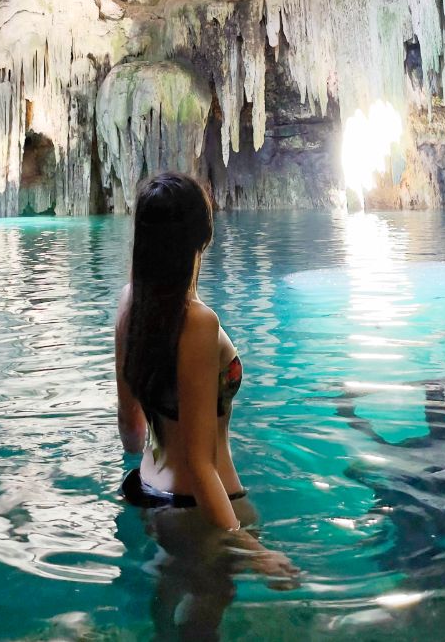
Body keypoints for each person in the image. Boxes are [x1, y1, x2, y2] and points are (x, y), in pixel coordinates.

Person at [114, 170, 298, 632]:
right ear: (203, 235)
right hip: (199, 506)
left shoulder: (131, 303)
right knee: (213, 602)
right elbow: (200, 465)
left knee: (168, 605)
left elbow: (131, 428)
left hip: (148, 491)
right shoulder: (197, 322)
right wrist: (253, 550)